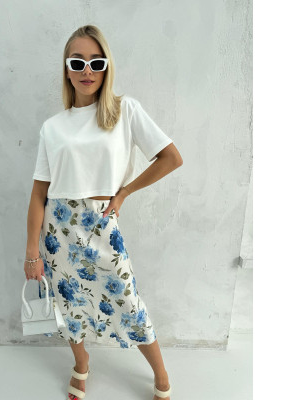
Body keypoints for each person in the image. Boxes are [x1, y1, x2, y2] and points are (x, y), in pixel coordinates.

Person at [24, 25, 183, 400]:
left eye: (96, 62)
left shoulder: (125, 110)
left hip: (100, 223)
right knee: (68, 305)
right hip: (58, 230)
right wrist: (32, 251)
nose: (87, 70)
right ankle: (81, 365)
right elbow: (38, 194)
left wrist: (125, 192)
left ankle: (161, 374)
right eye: (77, 62)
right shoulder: (52, 128)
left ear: (107, 67)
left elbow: (171, 158)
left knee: (128, 302)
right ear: (66, 69)